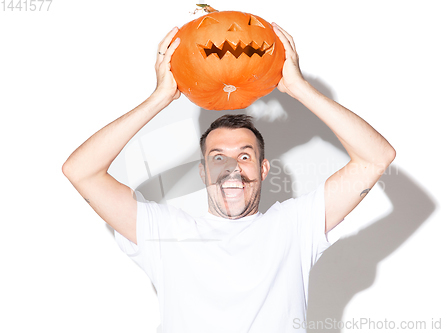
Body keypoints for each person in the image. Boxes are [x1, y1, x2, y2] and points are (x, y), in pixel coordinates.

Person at [62, 23, 396, 333]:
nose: (232, 168)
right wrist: (159, 98)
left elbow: (376, 157)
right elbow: (81, 171)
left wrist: (299, 88)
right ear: (203, 171)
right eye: (218, 157)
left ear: (263, 169)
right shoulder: (164, 233)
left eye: (245, 156)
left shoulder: (295, 226)